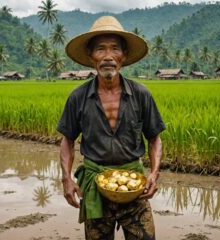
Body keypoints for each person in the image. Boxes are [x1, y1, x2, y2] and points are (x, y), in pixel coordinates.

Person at [57, 16, 166, 240]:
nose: (108, 56)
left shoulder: (141, 94)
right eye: (100, 49)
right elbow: (67, 140)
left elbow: (154, 138)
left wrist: (154, 173)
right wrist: (66, 178)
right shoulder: (78, 97)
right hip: (96, 187)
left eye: (115, 48)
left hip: (135, 188)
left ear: (124, 56)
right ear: (91, 56)